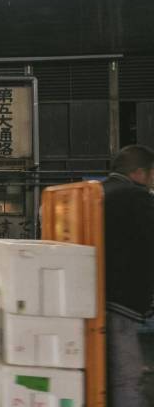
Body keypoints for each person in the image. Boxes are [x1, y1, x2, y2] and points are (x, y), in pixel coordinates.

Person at [103, 144, 154, 407]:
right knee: (127, 377)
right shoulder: (136, 197)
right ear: (139, 172)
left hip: (96, 298)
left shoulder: (95, 192)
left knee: (106, 372)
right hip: (123, 301)